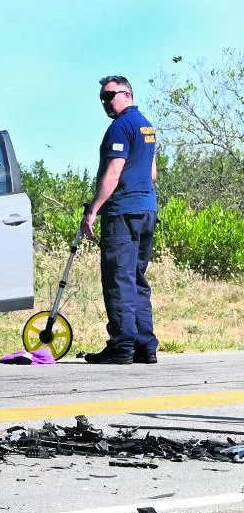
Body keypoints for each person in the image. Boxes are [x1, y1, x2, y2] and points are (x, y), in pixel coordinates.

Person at [81, 76, 159, 365]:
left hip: (123, 212)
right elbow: (152, 172)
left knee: (119, 278)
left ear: (127, 94)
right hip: (147, 210)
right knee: (136, 277)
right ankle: (144, 345)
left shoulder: (120, 127)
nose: (105, 102)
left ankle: (122, 345)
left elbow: (113, 172)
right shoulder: (146, 126)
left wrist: (93, 210)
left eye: (110, 95)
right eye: (102, 97)